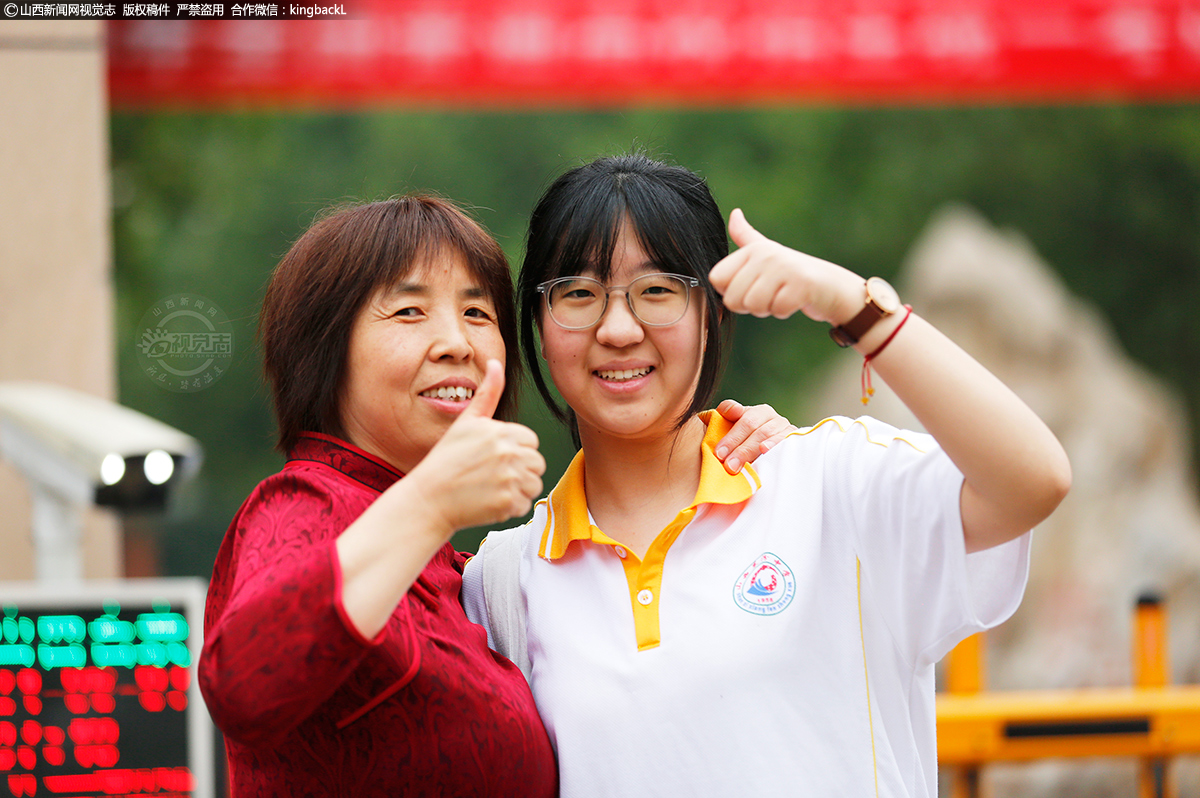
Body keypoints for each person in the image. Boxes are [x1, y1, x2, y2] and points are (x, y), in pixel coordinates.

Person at [462, 154, 1072, 797]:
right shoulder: (505, 580)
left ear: (713, 314)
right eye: (578, 295)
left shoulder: (829, 486)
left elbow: (1034, 480)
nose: (618, 329)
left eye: (657, 291)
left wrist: (854, 306)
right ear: (537, 323)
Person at [198, 195, 790, 797]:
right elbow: (243, 682)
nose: (457, 343)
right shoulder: (308, 504)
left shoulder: (460, 578)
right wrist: (430, 503)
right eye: (408, 311)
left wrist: (771, 458)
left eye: (478, 314)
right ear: (323, 348)